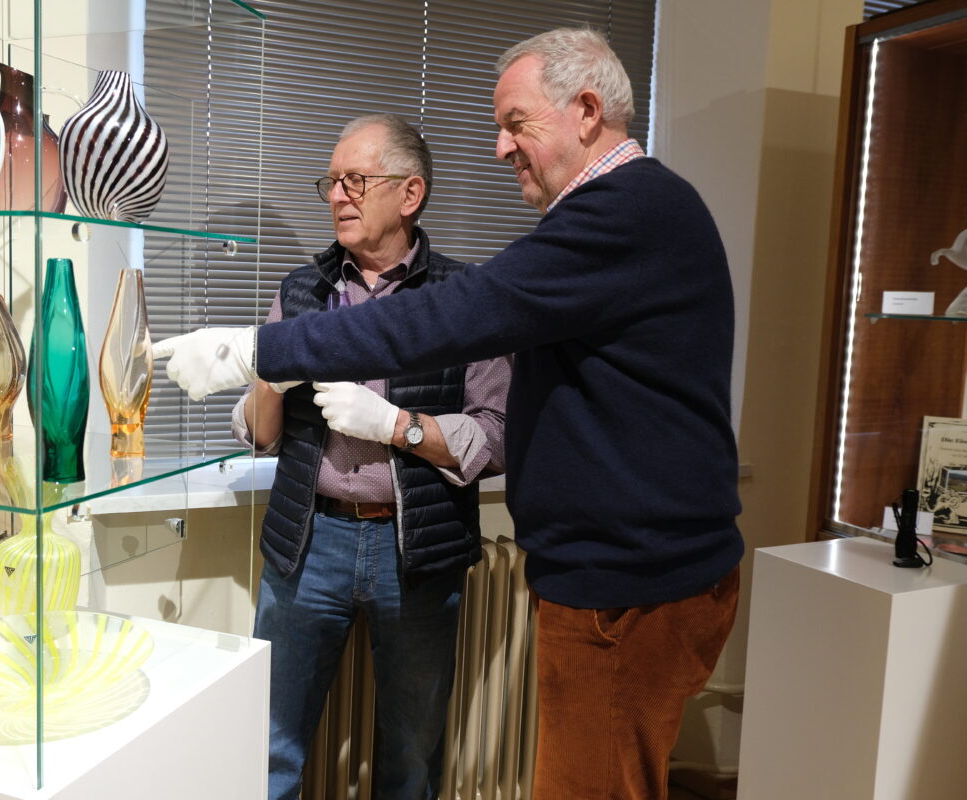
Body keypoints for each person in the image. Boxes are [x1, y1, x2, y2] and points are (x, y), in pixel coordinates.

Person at [155, 28, 743, 800]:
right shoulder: (630, 213)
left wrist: (261, 352)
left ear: (587, 111)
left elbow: (454, 324)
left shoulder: (622, 213)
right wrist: (267, 367)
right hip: (595, 574)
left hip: (623, 585)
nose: (500, 148)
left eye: (515, 123)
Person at [234, 113, 509, 800]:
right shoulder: (301, 292)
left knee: (411, 757)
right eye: (331, 181)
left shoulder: (464, 300)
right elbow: (261, 435)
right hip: (307, 543)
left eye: (354, 180)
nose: (336, 195)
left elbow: (496, 433)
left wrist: (397, 427)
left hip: (414, 553)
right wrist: (269, 374)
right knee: (268, 745)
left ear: (410, 193)